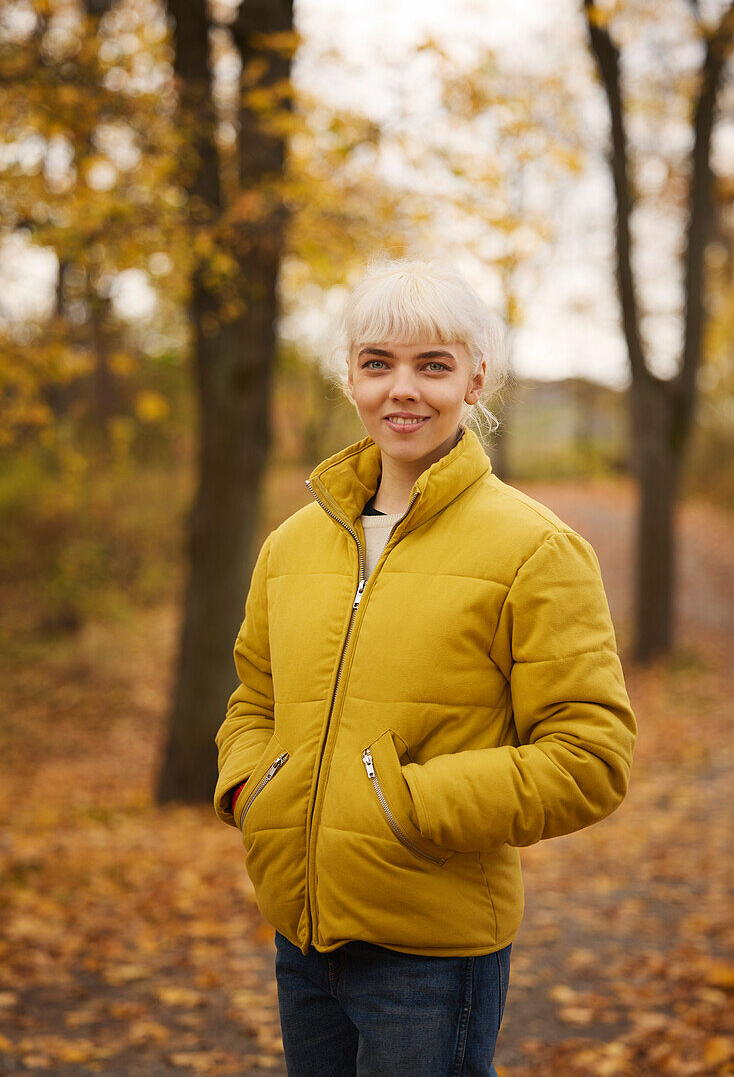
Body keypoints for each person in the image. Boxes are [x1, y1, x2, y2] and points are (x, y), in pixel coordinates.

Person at [213, 256, 638, 1076]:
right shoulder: (291, 545)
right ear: (351, 378)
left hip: (432, 957)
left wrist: (404, 805)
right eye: (378, 363)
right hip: (302, 940)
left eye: (432, 365)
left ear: (476, 380)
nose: (402, 388)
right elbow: (252, 702)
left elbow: (591, 758)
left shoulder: (536, 550)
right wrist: (252, 788)